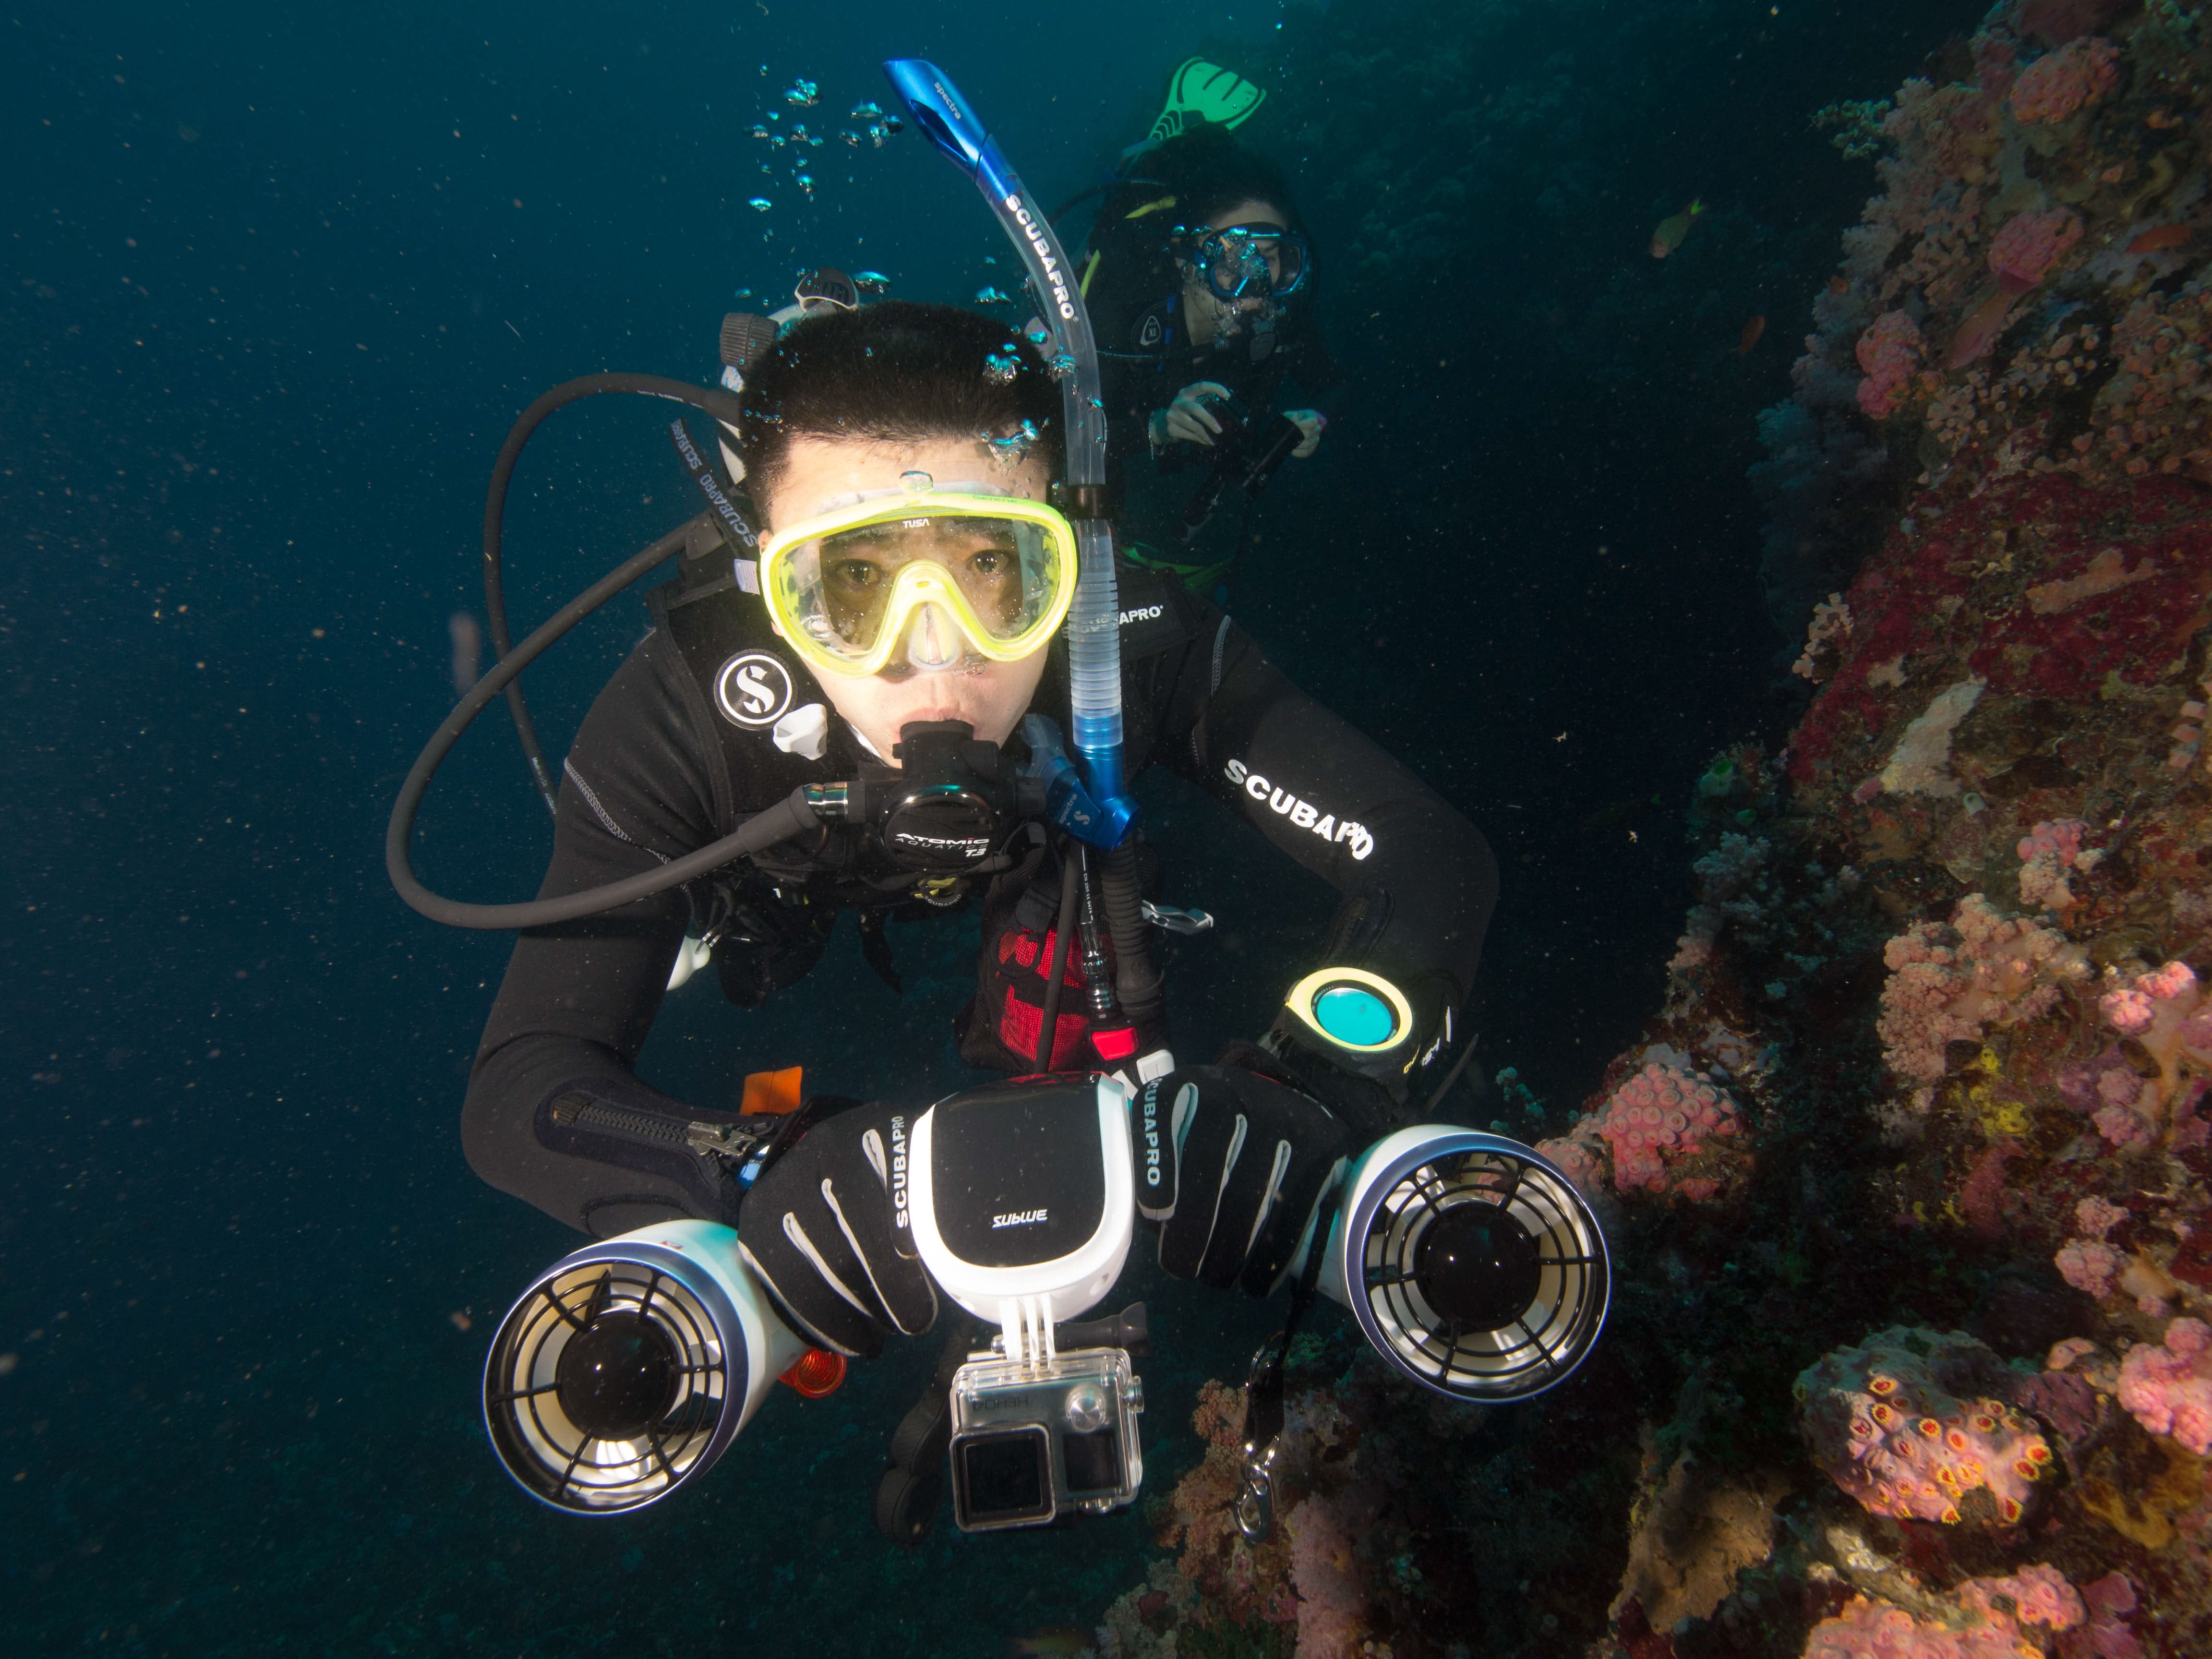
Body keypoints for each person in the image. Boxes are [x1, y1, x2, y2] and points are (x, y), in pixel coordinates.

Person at [461, 300, 1494, 1361]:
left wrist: (1316, 1076)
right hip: (791, 877)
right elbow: (523, 1087)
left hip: (1046, 847)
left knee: (1061, 944)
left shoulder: (1124, 652)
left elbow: (1423, 851)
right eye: (855, 580)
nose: (936, 655)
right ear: (768, 581)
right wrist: (743, 1160)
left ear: (1069, 549)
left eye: (994, 565)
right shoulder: (682, 719)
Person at [1077, 120, 1341, 597]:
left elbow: (1337, 386)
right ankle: (1149, 148)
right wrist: (1154, 429)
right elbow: (1056, 436)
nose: (1255, 279)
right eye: (1234, 255)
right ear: (1186, 259)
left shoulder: (1281, 315)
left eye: (1272, 256)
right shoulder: (1123, 305)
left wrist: (1315, 420)